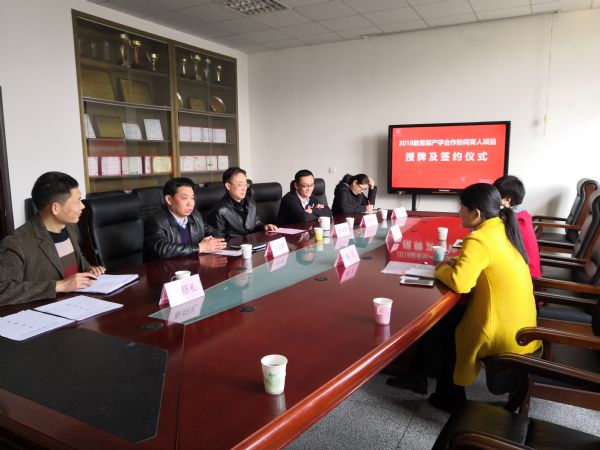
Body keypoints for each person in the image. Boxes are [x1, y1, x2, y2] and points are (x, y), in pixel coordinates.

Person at [389, 183, 541, 412]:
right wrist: (457, 263)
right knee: (446, 322)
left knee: (447, 328)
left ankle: (449, 396)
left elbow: (461, 283)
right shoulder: (502, 228)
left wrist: (441, 268)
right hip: (520, 324)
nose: (458, 212)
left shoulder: (479, 239)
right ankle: (437, 386)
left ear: (476, 214)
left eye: (461, 207)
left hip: (499, 329)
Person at [0, 172, 106, 306]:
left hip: (77, 305)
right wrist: (59, 285)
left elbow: (76, 264)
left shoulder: (70, 228)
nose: (82, 206)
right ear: (56, 208)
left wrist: (89, 270)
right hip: (44, 312)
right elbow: (3, 291)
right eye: (77, 201)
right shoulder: (15, 243)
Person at [144, 177, 226, 260]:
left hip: (193, 264)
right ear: (169, 199)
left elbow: (216, 234)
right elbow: (163, 249)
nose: (190, 204)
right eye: (184, 198)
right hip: (166, 267)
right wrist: (200, 247)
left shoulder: (195, 216)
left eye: (192, 198)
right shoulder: (155, 221)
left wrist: (212, 242)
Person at [208, 167, 278, 239]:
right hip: (235, 245)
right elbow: (219, 240)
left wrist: (265, 226)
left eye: (245, 184)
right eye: (240, 185)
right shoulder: (219, 211)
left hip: (252, 243)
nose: (244, 189)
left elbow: (257, 223)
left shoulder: (250, 203)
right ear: (228, 186)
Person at [493, 175, 541, 278]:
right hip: (522, 272)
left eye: (495, 197)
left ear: (507, 200)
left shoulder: (515, 221)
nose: (491, 200)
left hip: (526, 278)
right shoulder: (522, 215)